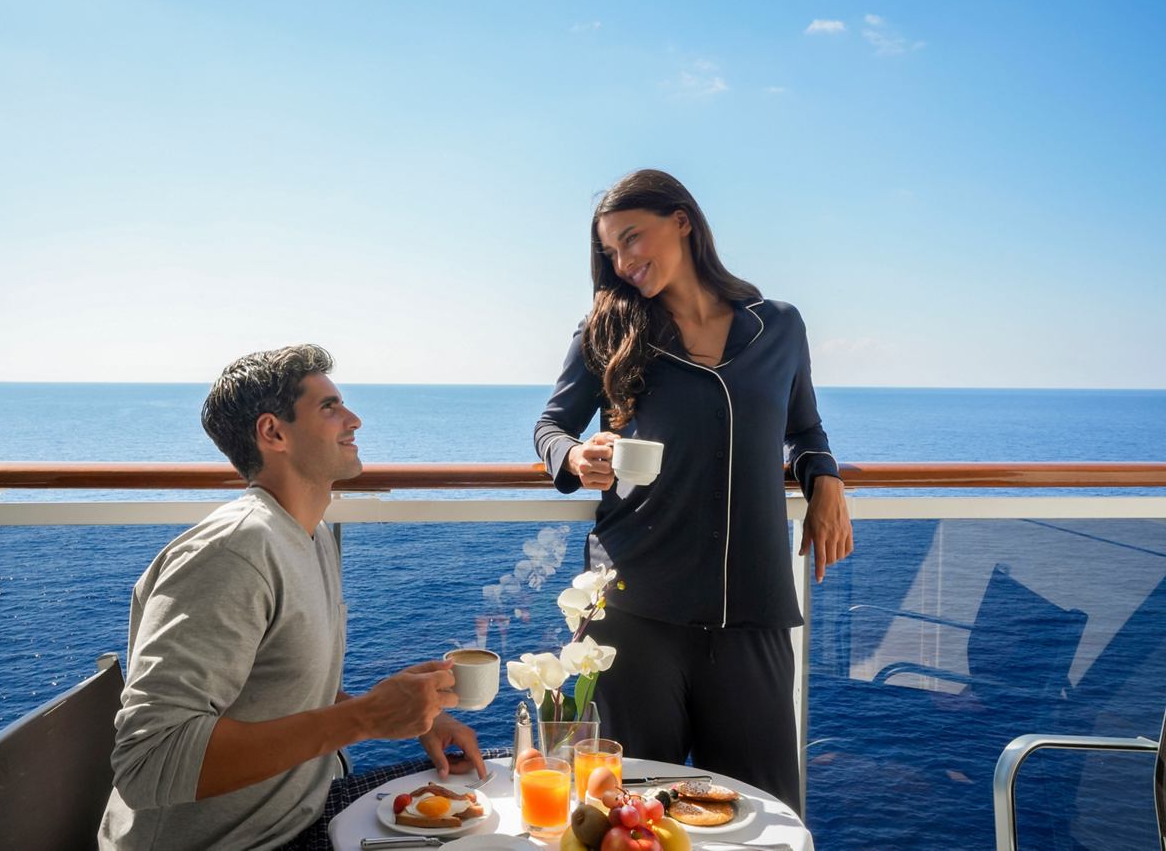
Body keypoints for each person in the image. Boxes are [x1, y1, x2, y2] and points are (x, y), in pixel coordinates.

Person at [533, 170, 853, 813]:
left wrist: (826, 479)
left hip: (752, 609)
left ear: (682, 221)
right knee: (622, 813)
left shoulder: (779, 327)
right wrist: (576, 456)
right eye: (611, 253)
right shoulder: (607, 328)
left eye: (632, 239)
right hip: (632, 606)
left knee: (762, 814)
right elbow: (551, 426)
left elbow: (805, 429)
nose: (623, 263)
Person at [99, 344, 486, 851]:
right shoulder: (233, 553)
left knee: (511, 774)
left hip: (300, 810)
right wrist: (365, 718)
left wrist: (392, 712)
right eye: (329, 407)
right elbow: (149, 763)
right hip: (242, 842)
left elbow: (275, 694)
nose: (354, 419)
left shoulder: (309, 533)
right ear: (273, 433)